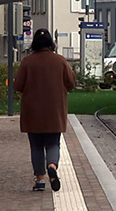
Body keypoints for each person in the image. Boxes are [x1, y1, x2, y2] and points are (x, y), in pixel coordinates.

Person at [14, 28, 76, 192]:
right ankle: (52, 165)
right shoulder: (60, 61)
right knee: (53, 143)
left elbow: (18, 86)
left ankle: (40, 179)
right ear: (51, 43)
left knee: (35, 146)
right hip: (54, 111)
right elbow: (70, 83)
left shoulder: (27, 62)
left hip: (32, 112)